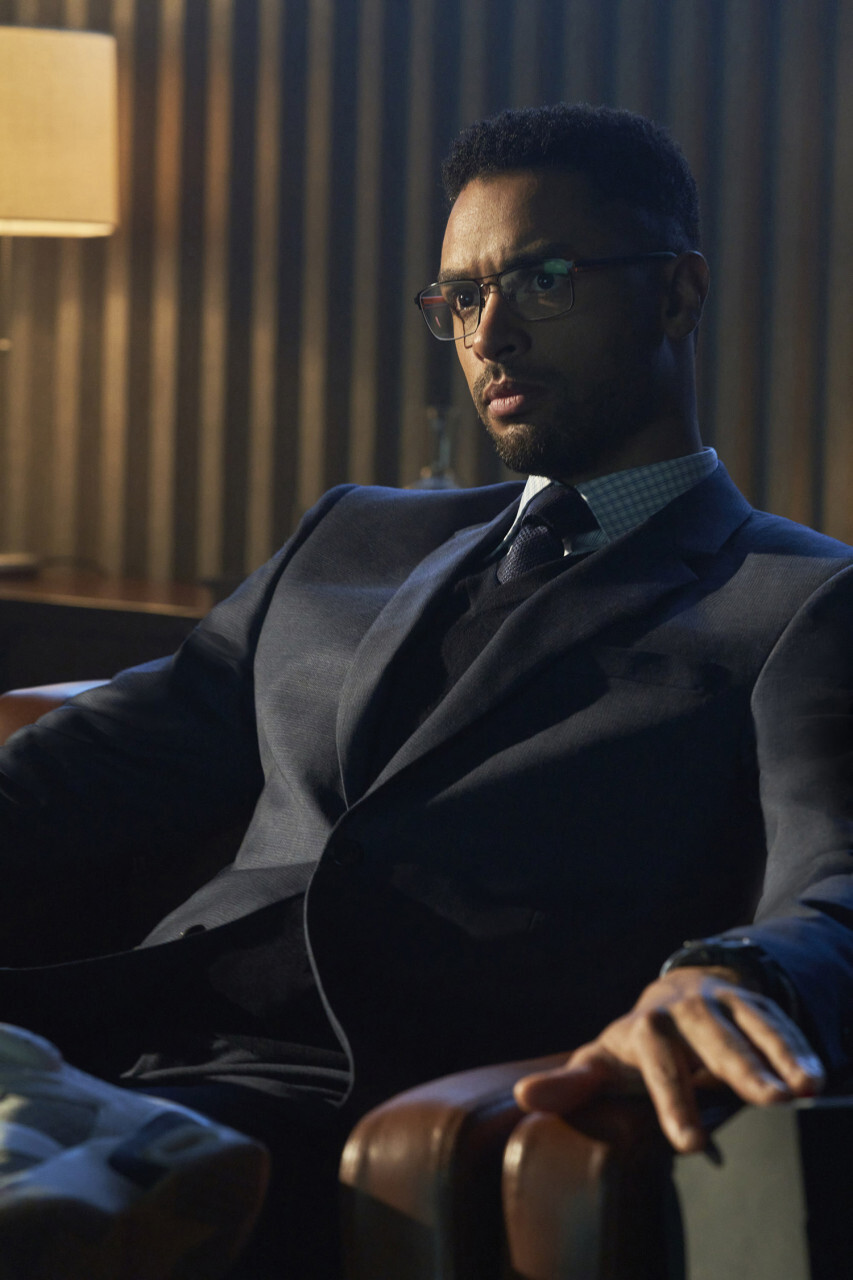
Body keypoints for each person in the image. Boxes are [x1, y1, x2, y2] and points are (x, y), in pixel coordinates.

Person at [0, 102, 852, 1279]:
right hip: (101, 1046)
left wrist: (736, 973)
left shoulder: (799, 599)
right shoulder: (348, 538)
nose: (490, 333)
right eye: (460, 295)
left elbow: (837, 876)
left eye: (543, 279)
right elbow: (76, 777)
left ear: (676, 293)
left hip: (349, 1111)